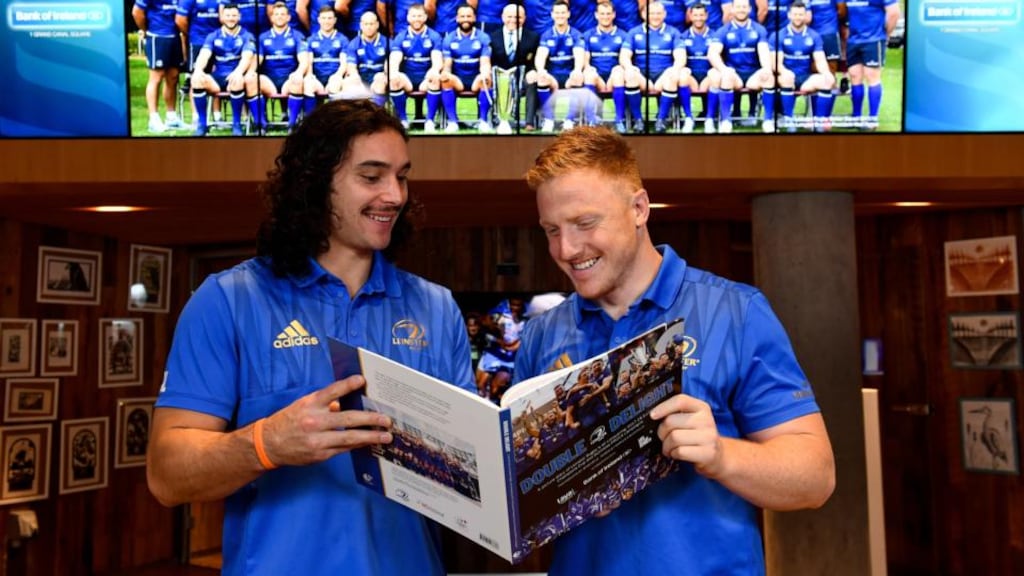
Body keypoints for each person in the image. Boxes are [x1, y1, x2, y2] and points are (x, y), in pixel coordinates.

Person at [147, 99, 475, 576]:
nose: (394, 195)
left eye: (401, 176)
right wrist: (267, 443)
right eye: (371, 176)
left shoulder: (437, 308)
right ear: (317, 183)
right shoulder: (228, 300)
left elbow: (469, 476)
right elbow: (166, 475)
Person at [513, 126, 835, 575]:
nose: (567, 249)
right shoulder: (543, 334)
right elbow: (524, 503)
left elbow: (815, 477)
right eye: (552, 230)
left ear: (639, 208)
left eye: (585, 224)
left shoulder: (735, 312)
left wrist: (722, 455)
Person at [189, 3, 257, 135]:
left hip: (236, 77)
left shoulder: (247, 36)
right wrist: (198, 69)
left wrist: (238, 72)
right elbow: (204, 55)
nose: (231, 18)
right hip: (218, 78)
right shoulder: (213, 35)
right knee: (197, 79)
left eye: (234, 15)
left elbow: (247, 57)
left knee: (237, 81)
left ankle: (236, 125)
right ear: (222, 17)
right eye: (228, 15)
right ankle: (202, 125)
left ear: (239, 17)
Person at [619, 0, 686, 133]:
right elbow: (624, 56)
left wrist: (675, 68)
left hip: (663, 76)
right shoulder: (634, 32)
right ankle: (638, 121)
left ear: (664, 14)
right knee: (629, 75)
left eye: (658, 13)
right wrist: (629, 67)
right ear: (644, 14)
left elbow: (680, 56)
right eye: (652, 13)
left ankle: (661, 120)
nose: (655, 16)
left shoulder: (673, 33)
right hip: (642, 76)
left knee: (674, 75)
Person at [767, 1, 835, 131]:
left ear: (805, 16)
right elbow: (776, 63)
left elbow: (820, 60)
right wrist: (785, 72)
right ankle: (789, 121)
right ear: (789, 15)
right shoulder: (779, 35)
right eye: (795, 14)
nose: (798, 17)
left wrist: (826, 73)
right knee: (786, 79)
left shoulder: (814, 36)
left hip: (805, 77)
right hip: (785, 76)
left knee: (827, 80)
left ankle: (819, 122)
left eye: (800, 14)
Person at [707, 0, 773, 132]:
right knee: (726, 77)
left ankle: (768, 121)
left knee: (769, 77)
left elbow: (764, 51)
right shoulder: (723, 30)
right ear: (732, 9)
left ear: (749, 9)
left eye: (744, 7)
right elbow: (712, 53)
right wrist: (724, 69)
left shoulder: (759, 29)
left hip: (752, 75)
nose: (741, 10)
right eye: (738, 7)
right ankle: (726, 121)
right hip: (734, 74)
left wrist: (766, 68)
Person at [247, 1, 310, 132]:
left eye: (283, 14)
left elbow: (304, 59)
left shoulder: (297, 36)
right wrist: (251, 71)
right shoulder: (263, 37)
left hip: (289, 80)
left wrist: (298, 72)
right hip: (269, 80)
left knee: (298, 80)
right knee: (251, 80)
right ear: (271, 17)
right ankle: (261, 125)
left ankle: (292, 125)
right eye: (276, 14)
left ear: (289, 17)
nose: (279, 17)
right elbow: (258, 58)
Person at [439, 3, 494, 133]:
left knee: (485, 79)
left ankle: (483, 121)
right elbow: (447, 64)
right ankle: (453, 122)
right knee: (446, 79)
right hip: (458, 80)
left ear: (474, 18)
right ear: (457, 18)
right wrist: (445, 73)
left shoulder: (483, 37)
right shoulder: (449, 39)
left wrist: (485, 73)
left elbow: (485, 62)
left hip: (475, 79)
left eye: (468, 16)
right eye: (462, 16)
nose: (465, 19)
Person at [388, 3, 444, 130]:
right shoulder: (401, 36)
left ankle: (429, 121)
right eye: (413, 16)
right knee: (395, 79)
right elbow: (395, 58)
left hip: (425, 78)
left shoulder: (434, 36)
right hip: (408, 79)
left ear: (425, 17)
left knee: (435, 78)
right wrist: (394, 72)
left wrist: (434, 70)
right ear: (408, 18)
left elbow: (437, 59)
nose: (417, 19)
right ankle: (403, 120)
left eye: (419, 16)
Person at [845, 0, 900, 130]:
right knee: (855, 77)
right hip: (853, 40)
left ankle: (872, 119)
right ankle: (856, 117)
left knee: (872, 77)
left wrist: (886, 34)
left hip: (873, 39)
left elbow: (894, 13)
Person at [488, 3, 542, 132]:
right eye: (509, 16)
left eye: (518, 17)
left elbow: (536, 59)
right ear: (502, 17)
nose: (513, 20)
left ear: (524, 18)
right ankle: (496, 120)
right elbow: (489, 61)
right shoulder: (492, 37)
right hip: (500, 80)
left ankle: (529, 122)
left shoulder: (533, 37)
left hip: (523, 78)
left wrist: (533, 70)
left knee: (532, 81)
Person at [133, 0, 185, 133]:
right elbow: (137, 12)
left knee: (173, 77)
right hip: (157, 36)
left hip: (174, 37)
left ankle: (171, 118)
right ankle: (153, 119)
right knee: (156, 77)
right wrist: (147, 30)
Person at [581, 0, 628, 130]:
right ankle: (591, 120)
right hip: (597, 77)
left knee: (619, 72)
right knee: (589, 74)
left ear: (614, 15)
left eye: (608, 13)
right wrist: (589, 69)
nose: (605, 17)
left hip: (615, 77)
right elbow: (585, 60)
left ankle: (619, 121)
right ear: (596, 15)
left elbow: (625, 58)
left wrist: (618, 69)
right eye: (602, 14)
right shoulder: (588, 35)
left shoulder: (623, 35)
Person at [679, 2, 719, 133]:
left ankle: (709, 120)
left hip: (708, 76)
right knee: (683, 74)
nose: (699, 18)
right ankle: (689, 119)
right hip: (691, 77)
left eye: (701, 15)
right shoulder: (683, 36)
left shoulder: (715, 36)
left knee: (715, 74)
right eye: (695, 15)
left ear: (706, 16)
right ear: (690, 16)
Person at [303, 5, 349, 112]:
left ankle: (334, 122)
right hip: (317, 78)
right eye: (323, 18)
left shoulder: (342, 39)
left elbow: (344, 63)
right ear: (318, 20)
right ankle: (311, 121)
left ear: (335, 20)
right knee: (308, 84)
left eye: (329, 18)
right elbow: (308, 61)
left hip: (334, 76)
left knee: (335, 85)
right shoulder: (311, 39)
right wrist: (310, 75)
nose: (326, 21)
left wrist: (338, 75)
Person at [340, 11, 389, 106]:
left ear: (377, 25)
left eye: (371, 24)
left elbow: (388, 65)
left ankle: (376, 114)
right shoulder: (354, 44)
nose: (369, 27)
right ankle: (354, 117)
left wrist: (384, 74)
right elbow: (351, 67)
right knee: (349, 82)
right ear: (361, 25)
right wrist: (356, 78)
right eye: (366, 24)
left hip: (378, 76)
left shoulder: (386, 42)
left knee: (380, 81)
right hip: (361, 76)